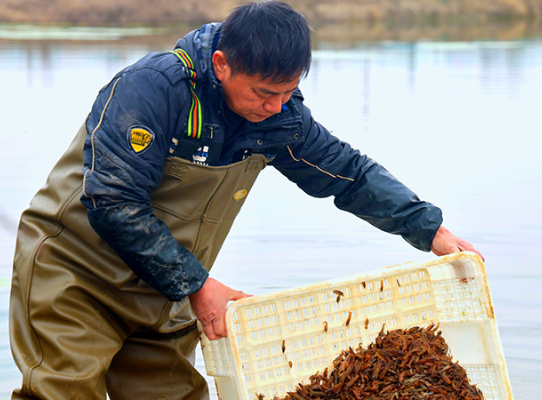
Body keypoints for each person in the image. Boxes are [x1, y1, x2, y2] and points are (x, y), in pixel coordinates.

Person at [9, 1, 483, 399]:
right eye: (264, 92)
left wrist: (431, 231)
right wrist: (197, 284)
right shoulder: (151, 91)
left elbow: (349, 175)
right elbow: (113, 202)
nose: (276, 106)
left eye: (288, 91)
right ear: (221, 65)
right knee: (62, 391)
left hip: (165, 289)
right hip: (77, 275)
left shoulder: (279, 119)